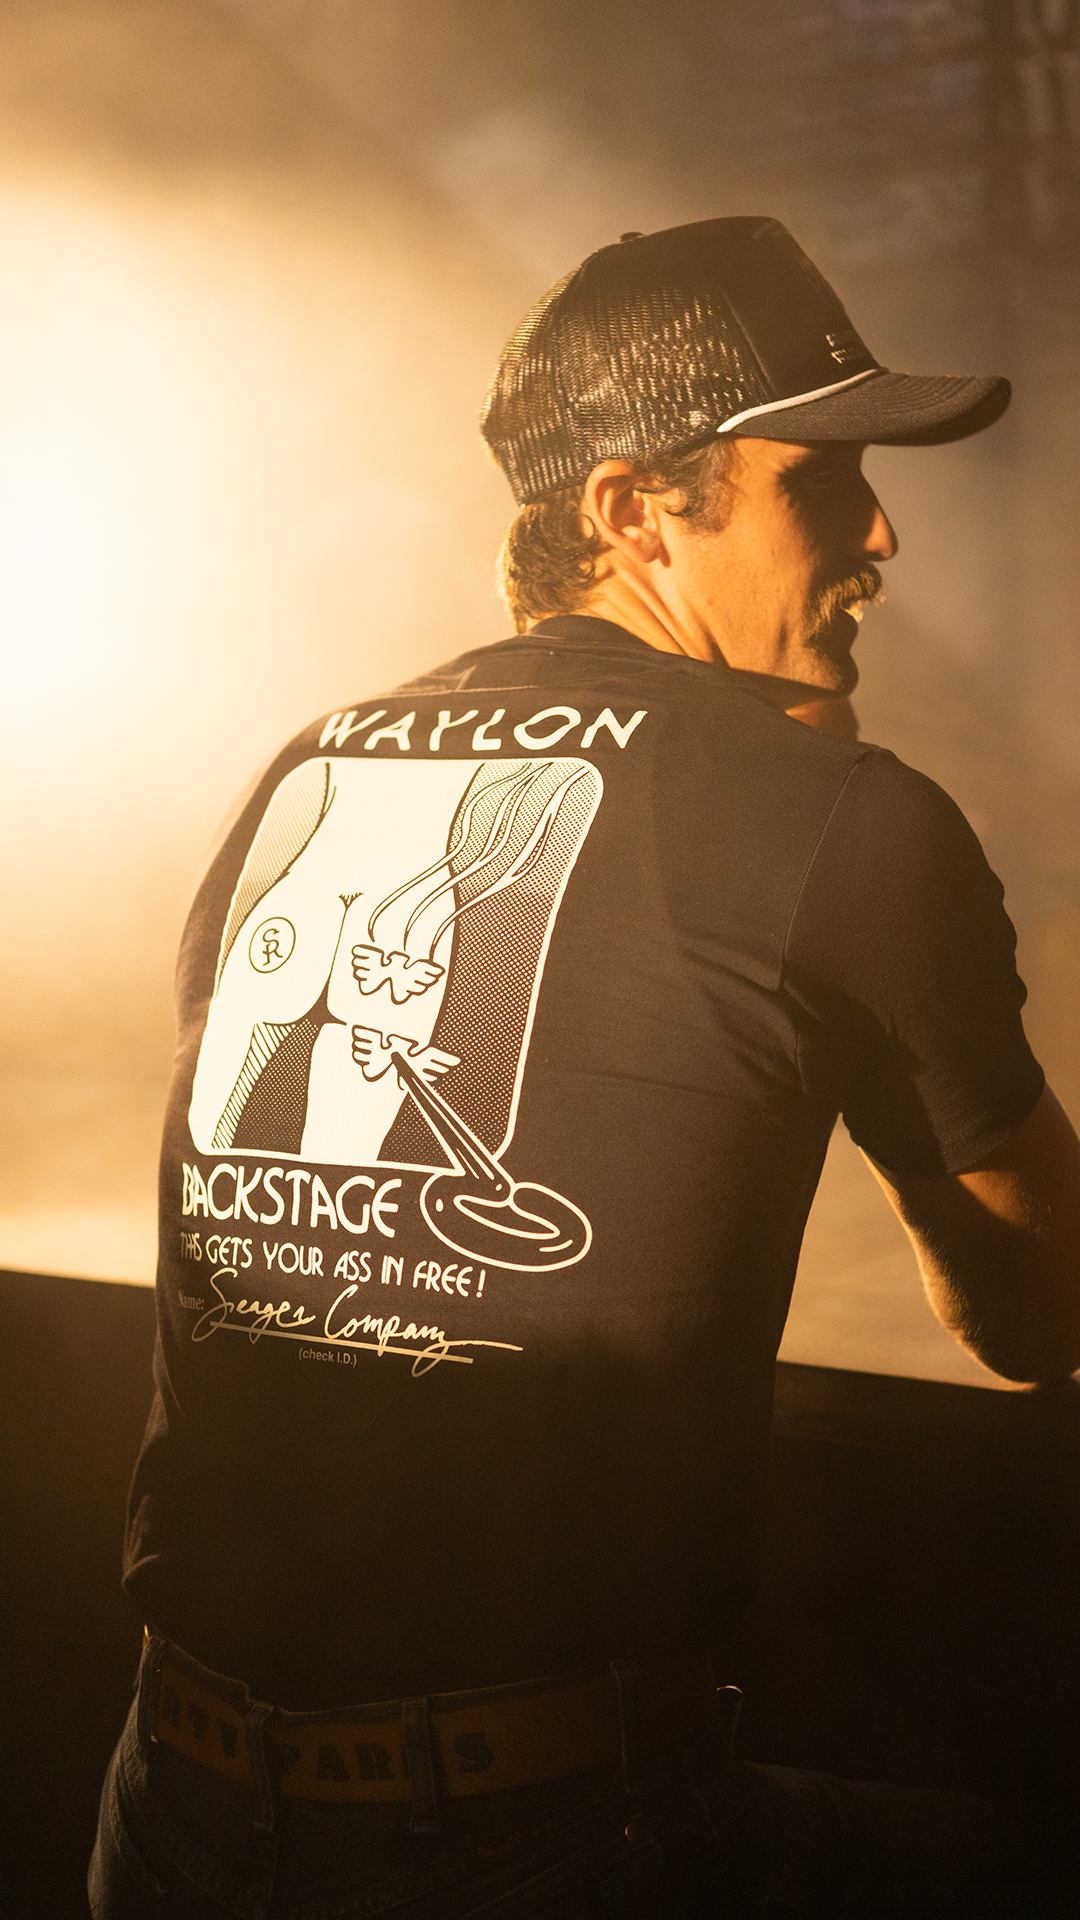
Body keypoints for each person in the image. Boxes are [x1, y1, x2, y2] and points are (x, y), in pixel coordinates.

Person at [91, 217, 1080, 1917]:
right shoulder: (847, 821)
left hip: (165, 1806)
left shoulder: (305, 770)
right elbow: (1040, 1318)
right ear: (633, 510)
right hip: (544, 1837)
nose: (880, 531)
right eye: (821, 480)